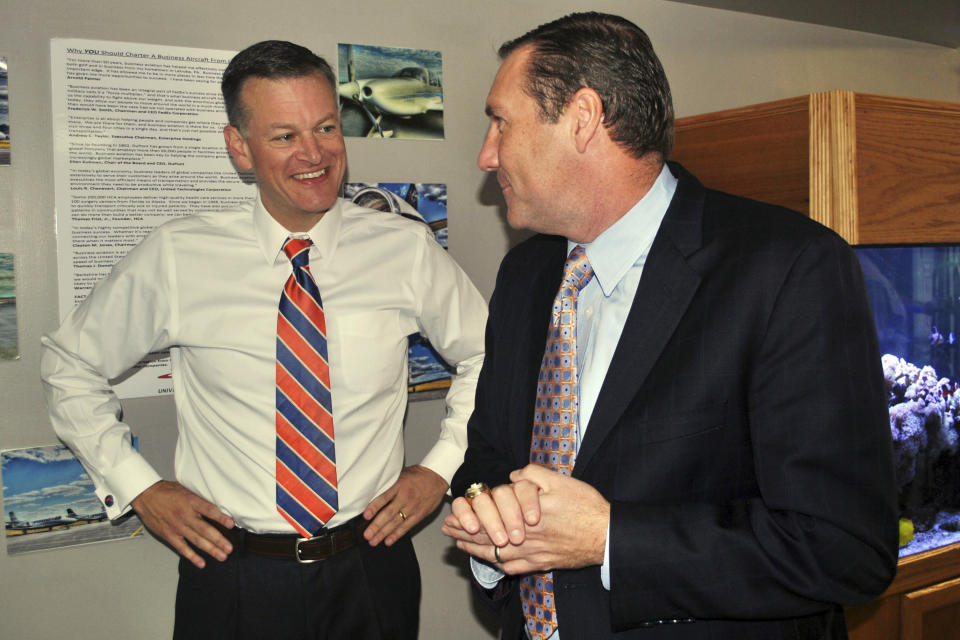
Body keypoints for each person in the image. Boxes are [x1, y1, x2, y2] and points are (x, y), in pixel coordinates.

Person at [442, 12, 897, 640]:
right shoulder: (524, 275)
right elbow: (489, 456)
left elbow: (844, 549)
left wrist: (610, 539)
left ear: (582, 117)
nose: (486, 154)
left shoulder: (787, 268)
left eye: (500, 121)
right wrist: (486, 522)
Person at [41, 40, 486, 639]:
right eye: (284, 136)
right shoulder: (179, 256)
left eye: (326, 127)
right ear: (239, 148)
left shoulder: (404, 248)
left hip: (371, 566)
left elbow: (487, 354)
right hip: (232, 576)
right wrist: (138, 486)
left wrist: (441, 467)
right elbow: (69, 364)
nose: (314, 153)